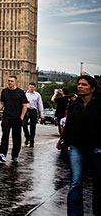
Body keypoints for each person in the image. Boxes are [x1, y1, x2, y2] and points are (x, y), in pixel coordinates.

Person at [58, 75, 100, 216]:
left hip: (95, 147)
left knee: (98, 182)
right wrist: (63, 140)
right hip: (76, 147)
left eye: (84, 84)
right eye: (79, 84)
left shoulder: (99, 104)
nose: (80, 86)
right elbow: (69, 124)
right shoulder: (74, 104)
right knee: (75, 182)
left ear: (92, 88)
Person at [0, 74, 29, 163]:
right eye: (8, 81)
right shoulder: (4, 91)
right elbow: (2, 103)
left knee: (16, 138)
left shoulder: (20, 92)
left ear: (15, 82)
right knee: (5, 136)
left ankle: (15, 155)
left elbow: (25, 105)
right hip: (6, 117)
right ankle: (2, 153)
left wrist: (22, 117)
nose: (10, 83)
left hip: (17, 118)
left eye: (11, 81)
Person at [23, 82, 45, 147]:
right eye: (30, 87)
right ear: (28, 87)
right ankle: (27, 137)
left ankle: (31, 141)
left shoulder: (37, 95)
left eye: (33, 87)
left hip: (33, 111)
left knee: (33, 127)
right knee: (24, 125)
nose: (31, 88)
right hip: (25, 111)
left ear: (35, 88)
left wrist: (42, 114)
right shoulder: (24, 94)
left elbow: (40, 105)